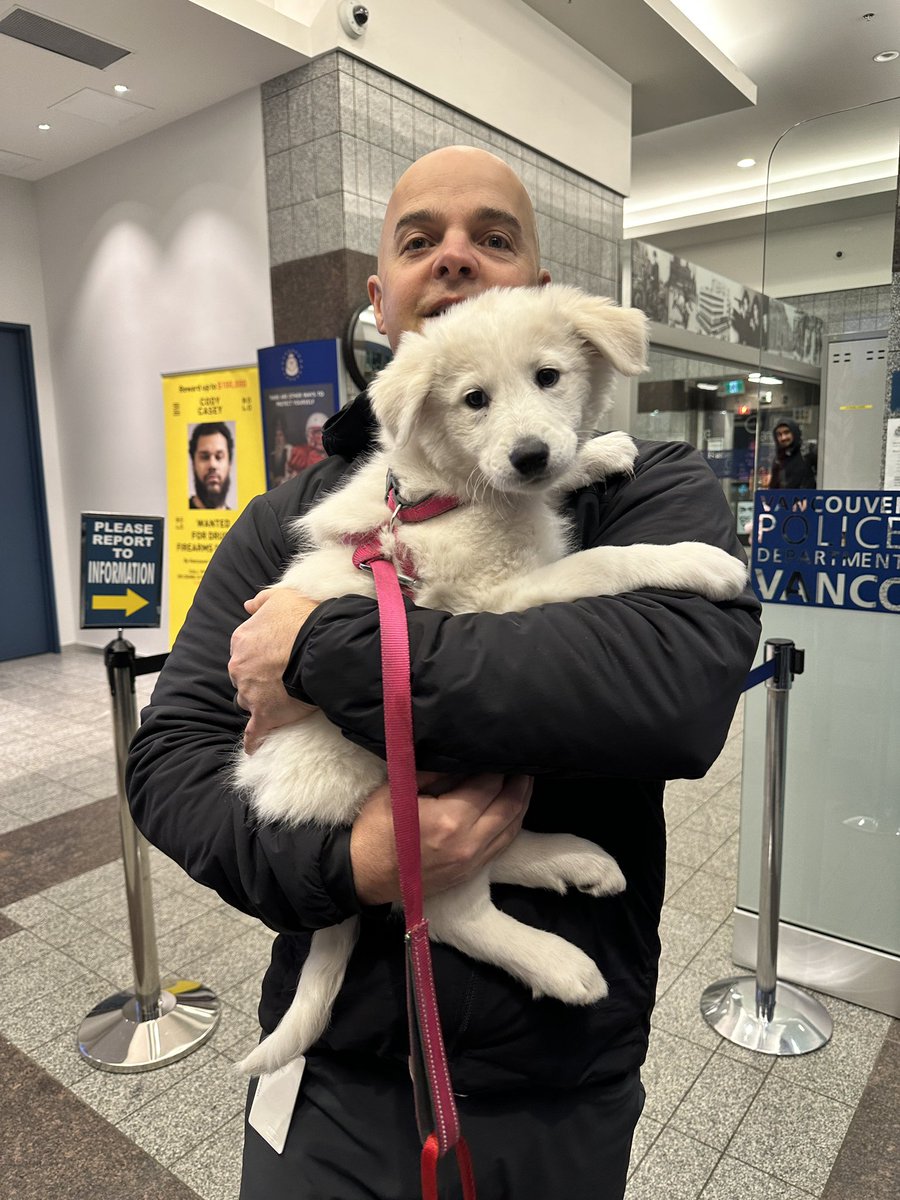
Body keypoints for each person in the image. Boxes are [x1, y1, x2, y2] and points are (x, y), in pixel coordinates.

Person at [127, 146, 761, 1200]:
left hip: (562, 1085)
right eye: (420, 240)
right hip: (339, 1091)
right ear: (382, 306)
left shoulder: (655, 481)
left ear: (541, 283)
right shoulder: (284, 519)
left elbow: (675, 696)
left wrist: (319, 651)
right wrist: (356, 867)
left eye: (494, 237)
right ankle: (483, 883)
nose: (456, 257)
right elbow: (173, 763)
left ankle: (499, 870)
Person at [188, 421, 234, 509]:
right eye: (205, 457)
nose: (212, 465)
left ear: (229, 463)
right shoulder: (176, 511)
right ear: (193, 463)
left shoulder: (241, 520)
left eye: (219, 457)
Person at [769, 418, 817, 488]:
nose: (783, 438)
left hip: (809, 497)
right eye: (779, 434)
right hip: (786, 498)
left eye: (786, 432)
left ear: (794, 432)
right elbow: (773, 488)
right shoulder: (778, 459)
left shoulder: (809, 451)